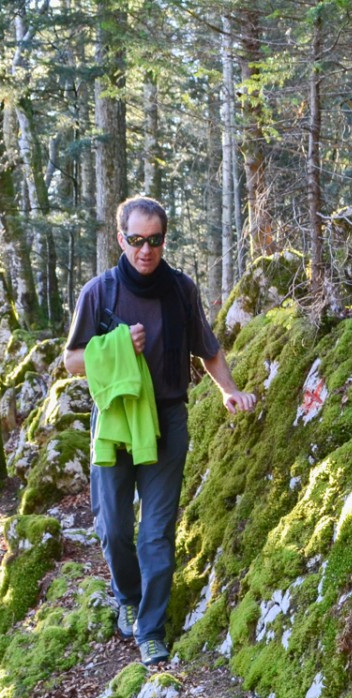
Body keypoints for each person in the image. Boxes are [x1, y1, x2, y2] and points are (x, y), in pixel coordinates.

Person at [63, 196, 256, 667]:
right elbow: (71, 362)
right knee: (113, 528)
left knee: (155, 533)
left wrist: (229, 390)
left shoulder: (180, 291)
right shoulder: (100, 292)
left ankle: (149, 628)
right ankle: (127, 595)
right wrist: (113, 345)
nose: (145, 250)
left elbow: (207, 349)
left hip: (168, 420)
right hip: (115, 422)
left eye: (154, 241)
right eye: (136, 240)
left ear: (164, 240)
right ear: (121, 238)